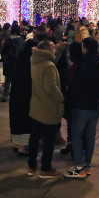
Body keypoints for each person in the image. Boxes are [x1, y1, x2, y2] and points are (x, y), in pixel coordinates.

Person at [64, 37, 99, 178]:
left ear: (85, 48)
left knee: (77, 135)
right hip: (95, 107)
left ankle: (79, 167)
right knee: (90, 136)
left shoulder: (82, 66)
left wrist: (71, 104)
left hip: (81, 106)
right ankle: (87, 165)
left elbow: (75, 87)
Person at [27, 39, 65, 179]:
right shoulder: (49, 66)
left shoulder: (35, 60)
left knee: (34, 138)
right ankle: (46, 169)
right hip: (48, 107)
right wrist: (61, 98)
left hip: (36, 105)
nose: (55, 49)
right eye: (53, 47)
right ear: (48, 50)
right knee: (49, 140)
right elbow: (51, 88)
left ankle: (31, 165)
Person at [9, 39, 38, 156]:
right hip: (26, 95)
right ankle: (22, 148)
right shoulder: (30, 61)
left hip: (16, 94)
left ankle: (17, 144)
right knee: (25, 120)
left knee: (16, 119)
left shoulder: (20, 57)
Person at [2, 25, 25, 102]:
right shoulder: (21, 41)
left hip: (8, 62)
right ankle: (14, 96)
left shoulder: (8, 40)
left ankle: (5, 95)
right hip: (17, 63)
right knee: (16, 81)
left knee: (7, 80)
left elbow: (4, 51)